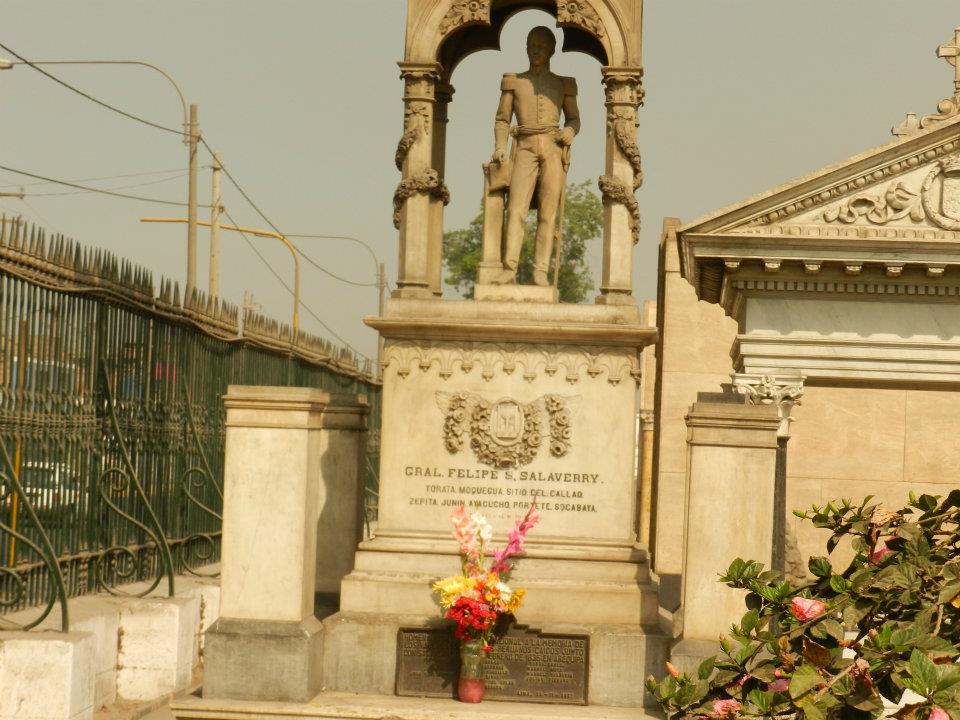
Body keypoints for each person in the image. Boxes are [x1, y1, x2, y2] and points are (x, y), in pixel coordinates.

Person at [490, 26, 581, 286]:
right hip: (525, 148)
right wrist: (499, 146)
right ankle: (509, 268)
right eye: (531, 44)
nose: (536, 49)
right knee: (516, 209)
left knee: (547, 213)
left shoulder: (563, 84)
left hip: (553, 147)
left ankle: (540, 270)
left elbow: (574, 118)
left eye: (541, 45)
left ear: (552, 50)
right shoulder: (514, 81)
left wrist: (569, 131)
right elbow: (502, 119)